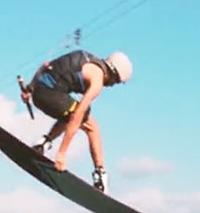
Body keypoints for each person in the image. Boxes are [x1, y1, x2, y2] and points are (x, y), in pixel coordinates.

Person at [20, 49, 132, 193]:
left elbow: (45, 65)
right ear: (113, 74)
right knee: (91, 126)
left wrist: (29, 88)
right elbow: (77, 116)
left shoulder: (87, 57)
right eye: (115, 82)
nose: (111, 85)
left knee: (71, 110)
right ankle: (101, 179)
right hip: (49, 96)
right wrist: (62, 153)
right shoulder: (97, 80)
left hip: (40, 92)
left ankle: (42, 144)